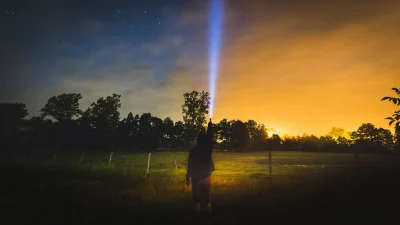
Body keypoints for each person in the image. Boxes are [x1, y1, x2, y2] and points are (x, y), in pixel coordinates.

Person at [186, 118, 215, 215]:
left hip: (195, 178)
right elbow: (210, 137)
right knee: (207, 199)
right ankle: (209, 218)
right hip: (206, 176)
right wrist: (210, 127)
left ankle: (197, 218)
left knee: (197, 199)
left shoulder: (193, 151)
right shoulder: (208, 149)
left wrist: (187, 177)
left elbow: (190, 164)